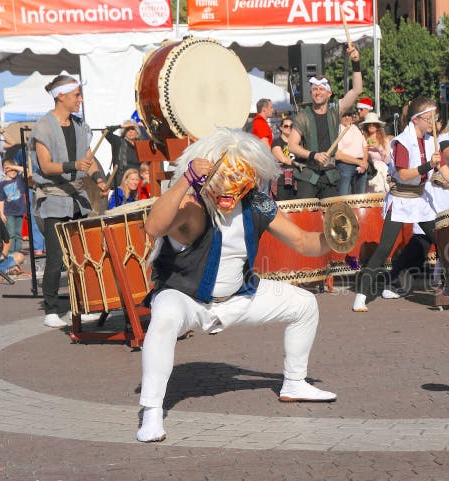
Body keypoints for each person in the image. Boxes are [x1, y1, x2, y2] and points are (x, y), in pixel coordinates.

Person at [136, 128, 338, 443]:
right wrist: (186, 179)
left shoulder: (258, 205)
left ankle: (294, 382)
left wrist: (334, 238)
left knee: (304, 304)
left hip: (239, 298)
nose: (230, 187)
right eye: (223, 178)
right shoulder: (193, 205)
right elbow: (153, 225)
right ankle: (151, 412)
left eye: (239, 179)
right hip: (188, 299)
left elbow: (302, 241)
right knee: (163, 318)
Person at [352, 97, 449, 312]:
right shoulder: (402, 142)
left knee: (443, 241)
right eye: (429, 118)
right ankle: (361, 294)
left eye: (434, 117)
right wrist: (426, 166)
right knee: (384, 248)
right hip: (401, 198)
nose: (433, 121)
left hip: (421, 200)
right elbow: (404, 174)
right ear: (416, 120)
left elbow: (444, 170)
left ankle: (445, 292)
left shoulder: (431, 140)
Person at [32, 74, 109, 328]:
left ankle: (85, 305)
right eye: (76, 95)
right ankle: (51, 310)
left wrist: (98, 179)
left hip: (77, 198)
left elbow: (89, 157)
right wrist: (73, 165)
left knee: (81, 255)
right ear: (61, 96)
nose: (80, 99)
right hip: (53, 198)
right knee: (56, 257)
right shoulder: (43, 127)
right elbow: (45, 166)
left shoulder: (79, 125)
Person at [287, 44, 363, 199]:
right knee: (307, 218)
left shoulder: (336, 111)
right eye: (314, 89)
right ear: (311, 93)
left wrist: (356, 63)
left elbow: (357, 90)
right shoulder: (303, 116)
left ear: (329, 93)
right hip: (307, 175)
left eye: (321, 89)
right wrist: (313, 155)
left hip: (330, 175)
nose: (318, 92)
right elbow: (292, 146)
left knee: (332, 218)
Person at [0, 160, 27, 255]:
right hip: (9, 213)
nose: (14, 172)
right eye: (11, 170)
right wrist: (2, 214)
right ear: (5, 170)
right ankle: (10, 253)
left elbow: (26, 171)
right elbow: (1, 200)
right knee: (11, 234)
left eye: (15, 170)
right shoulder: (1, 184)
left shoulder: (19, 178)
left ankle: (17, 252)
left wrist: (14, 167)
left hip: (20, 211)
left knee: (18, 234)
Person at [335, 109, 368, 195]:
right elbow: (338, 155)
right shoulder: (337, 130)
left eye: (349, 115)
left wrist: (364, 162)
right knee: (344, 197)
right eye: (344, 115)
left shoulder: (355, 128)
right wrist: (360, 162)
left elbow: (364, 146)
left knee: (360, 198)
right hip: (345, 166)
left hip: (361, 165)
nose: (347, 117)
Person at [360, 112, 391, 194]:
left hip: (381, 171)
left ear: (377, 126)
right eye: (369, 124)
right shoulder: (362, 139)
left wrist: (378, 147)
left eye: (374, 124)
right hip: (369, 170)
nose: (371, 126)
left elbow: (388, 160)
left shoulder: (384, 140)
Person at [105, 120, 142, 190]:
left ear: (137, 131)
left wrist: (144, 126)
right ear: (124, 131)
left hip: (137, 183)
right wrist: (121, 126)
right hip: (121, 183)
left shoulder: (141, 144)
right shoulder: (118, 141)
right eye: (127, 129)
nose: (130, 131)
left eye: (133, 129)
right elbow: (105, 132)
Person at [270, 116, 297, 201]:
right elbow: (283, 159)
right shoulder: (276, 142)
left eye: (291, 126)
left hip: (295, 178)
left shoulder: (296, 143)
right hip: (282, 180)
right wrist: (297, 163)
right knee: (283, 206)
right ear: (281, 128)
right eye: (286, 126)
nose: (289, 128)